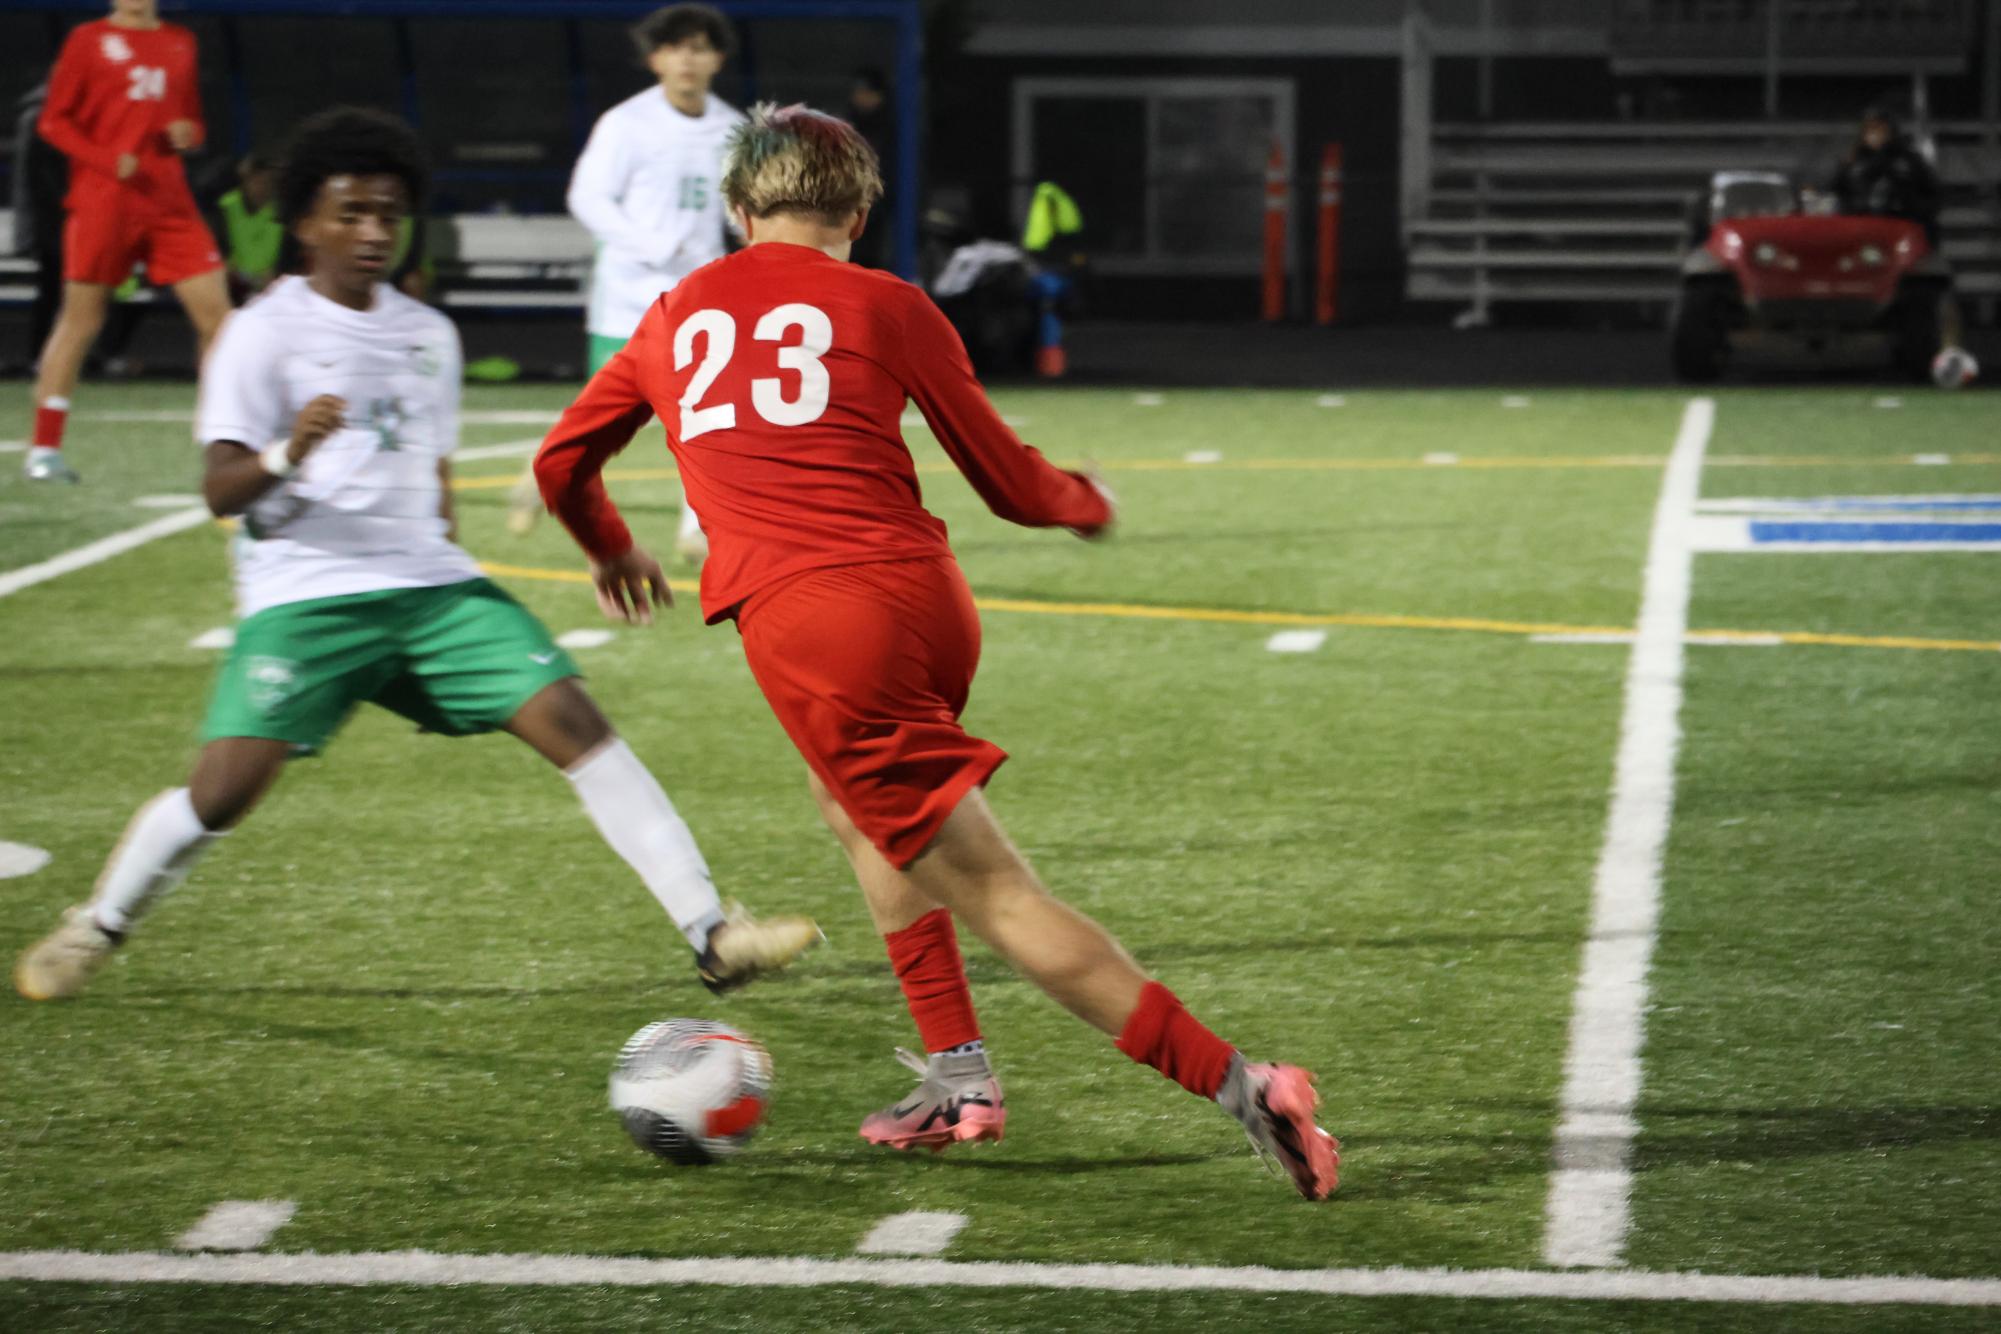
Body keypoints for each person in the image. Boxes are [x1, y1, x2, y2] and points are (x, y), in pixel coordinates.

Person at [532, 104, 1339, 1199]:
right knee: (850, 801)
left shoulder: (675, 310)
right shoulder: (892, 302)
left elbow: (561, 460)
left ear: (734, 210)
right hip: (924, 596)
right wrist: (1083, 499)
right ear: (859, 213)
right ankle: (958, 1078)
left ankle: (1247, 1085)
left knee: (997, 890)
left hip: (815, 623)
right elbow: (1008, 481)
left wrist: (612, 545)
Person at [14, 107, 819, 1005]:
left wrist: (524, 557)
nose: (373, 234)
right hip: (308, 592)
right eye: (350, 213)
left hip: (432, 589)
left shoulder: (426, 334)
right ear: (303, 223)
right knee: (223, 793)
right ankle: (97, 926)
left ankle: (714, 932)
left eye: (389, 216)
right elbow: (219, 487)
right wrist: (290, 451)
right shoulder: (262, 332)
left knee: (579, 729)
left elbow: (430, 475)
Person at [506, 1, 742, 564]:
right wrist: (653, 245)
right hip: (628, 299)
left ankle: (696, 528)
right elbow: (587, 198)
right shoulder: (626, 124)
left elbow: (740, 207)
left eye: (700, 47)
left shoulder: (732, 129)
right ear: (655, 58)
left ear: (718, 59)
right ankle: (537, 478)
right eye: (676, 47)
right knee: (603, 420)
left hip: (697, 297)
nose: (688, 59)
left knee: (710, 409)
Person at [24, 0, 232, 485]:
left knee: (219, 319)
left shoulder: (181, 40)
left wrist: (189, 133)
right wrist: (102, 158)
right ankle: (44, 450)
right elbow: (53, 121)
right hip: (104, 200)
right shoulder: (87, 40)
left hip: (169, 201)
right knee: (81, 320)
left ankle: (219, 439)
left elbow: (191, 119)